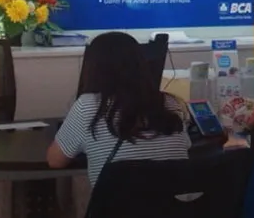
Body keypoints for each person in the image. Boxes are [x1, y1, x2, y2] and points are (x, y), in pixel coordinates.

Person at [46, 32, 190, 187]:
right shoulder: (172, 103)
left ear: (94, 68)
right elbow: (185, 147)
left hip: (116, 203)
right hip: (171, 202)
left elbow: (55, 161)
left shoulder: (88, 106)